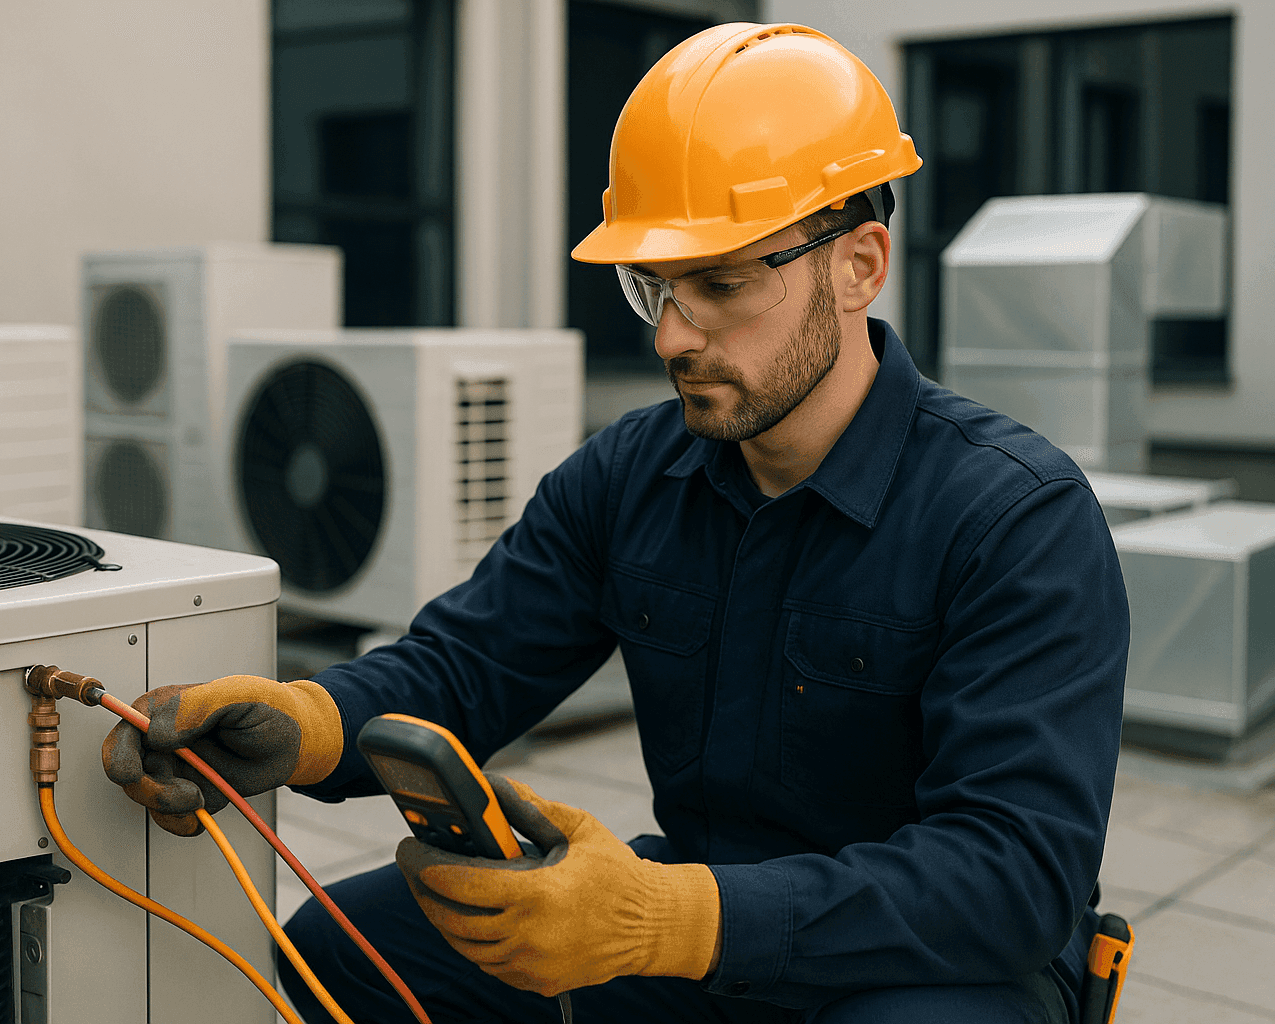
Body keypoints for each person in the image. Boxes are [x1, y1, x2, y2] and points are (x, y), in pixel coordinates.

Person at [102, 23, 1128, 1024]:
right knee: (340, 950)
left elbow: (1012, 874)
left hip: (923, 962)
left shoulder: (1015, 519)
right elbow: (466, 668)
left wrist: (666, 918)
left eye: (720, 284)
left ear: (858, 264)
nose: (675, 335)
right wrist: (308, 725)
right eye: (655, 288)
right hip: (694, 932)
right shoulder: (632, 475)